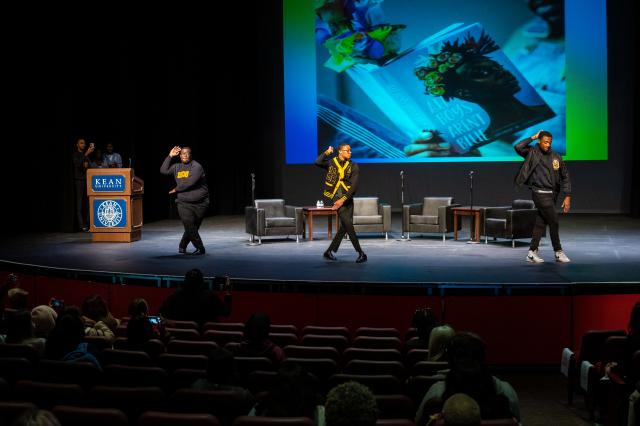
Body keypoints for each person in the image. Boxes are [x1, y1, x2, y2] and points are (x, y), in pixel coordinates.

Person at [514, 129, 571, 263]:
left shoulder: (556, 157)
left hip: (552, 195)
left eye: (549, 142)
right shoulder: (532, 153)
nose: (548, 145)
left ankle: (532, 252)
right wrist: (533, 137)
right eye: (545, 142)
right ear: (540, 142)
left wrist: (567, 195)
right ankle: (558, 252)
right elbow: (518, 147)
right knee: (554, 221)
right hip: (539, 193)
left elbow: (566, 176)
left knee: (540, 223)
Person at [315, 144, 367, 263]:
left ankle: (328, 252)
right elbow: (317, 162)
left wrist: (343, 199)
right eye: (347, 150)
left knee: (344, 226)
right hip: (336, 198)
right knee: (349, 225)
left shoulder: (354, 166)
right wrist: (327, 152)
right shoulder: (331, 162)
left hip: (347, 199)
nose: (350, 152)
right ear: (340, 152)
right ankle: (361, 253)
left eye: (350, 150)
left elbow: (353, 186)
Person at [160, 146, 209, 255]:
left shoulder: (197, 166)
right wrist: (170, 156)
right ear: (180, 155)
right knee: (189, 225)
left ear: (191, 155)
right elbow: (163, 170)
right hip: (184, 202)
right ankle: (200, 248)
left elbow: (189, 182)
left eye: (188, 153)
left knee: (193, 227)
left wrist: (175, 189)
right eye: (183, 153)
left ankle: (182, 246)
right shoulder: (176, 167)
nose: (185, 155)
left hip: (201, 202)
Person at [159, 269, 232, 325]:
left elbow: (161, 314)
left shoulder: (175, 296)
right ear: (202, 282)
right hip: (206, 339)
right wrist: (228, 291)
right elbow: (226, 312)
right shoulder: (210, 297)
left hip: (178, 340)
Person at [72, 138, 94, 232]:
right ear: (77, 145)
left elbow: (90, 166)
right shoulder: (76, 154)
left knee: (88, 203)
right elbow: (77, 164)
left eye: (84, 143)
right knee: (79, 203)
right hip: (79, 180)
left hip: (87, 180)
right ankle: (81, 225)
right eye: (81, 143)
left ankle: (88, 224)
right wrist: (86, 154)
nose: (83, 145)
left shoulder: (86, 156)